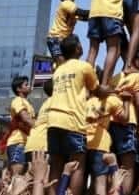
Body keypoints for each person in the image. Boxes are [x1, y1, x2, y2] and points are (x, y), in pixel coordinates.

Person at [46, 35, 110, 192]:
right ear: (77, 49)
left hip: (53, 121)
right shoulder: (84, 67)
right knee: (77, 166)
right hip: (72, 122)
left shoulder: (58, 70)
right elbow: (98, 91)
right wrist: (109, 90)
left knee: (56, 166)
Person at [47, 0, 88, 65]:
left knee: (77, 53)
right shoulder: (66, 3)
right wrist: (97, 11)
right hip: (56, 38)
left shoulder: (71, 8)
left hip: (66, 39)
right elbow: (81, 13)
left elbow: (85, 18)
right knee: (62, 64)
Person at [6, 75, 35, 175]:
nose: (29, 86)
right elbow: (26, 119)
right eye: (26, 84)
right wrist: (40, 128)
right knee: (17, 178)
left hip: (27, 144)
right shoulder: (17, 100)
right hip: (18, 143)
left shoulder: (28, 104)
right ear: (18, 89)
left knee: (25, 178)